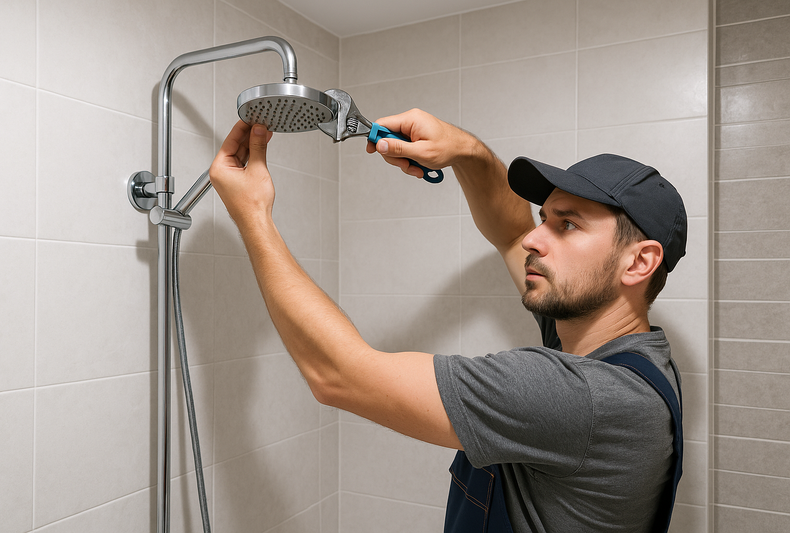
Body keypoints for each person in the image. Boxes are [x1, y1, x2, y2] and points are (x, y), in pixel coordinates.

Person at [209, 108, 687, 532]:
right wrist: (466, 152)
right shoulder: (608, 348)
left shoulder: (580, 398)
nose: (534, 239)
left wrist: (253, 214)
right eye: (545, 219)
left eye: (567, 224)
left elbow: (337, 375)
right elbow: (510, 229)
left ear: (639, 262)